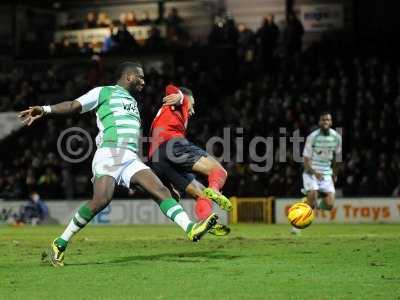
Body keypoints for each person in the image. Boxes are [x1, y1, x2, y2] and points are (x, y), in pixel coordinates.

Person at [18, 62, 218, 267]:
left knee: (160, 190)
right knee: (101, 201)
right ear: (128, 77)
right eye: (140, 77)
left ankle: (191, 229)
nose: (143, 81)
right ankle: (60, 242)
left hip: (130, 157)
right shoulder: (103, 92)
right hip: (108, 154)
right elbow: (73, 105)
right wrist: (45, 109)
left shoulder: (133, 104)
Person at [148, 85, 231, 236]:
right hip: (172, 144)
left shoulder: (164, 114)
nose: (192, 110)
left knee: (200, 194)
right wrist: (180, 97)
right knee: (219, 171)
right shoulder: (180, 101)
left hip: (156, 159)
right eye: (192, 105)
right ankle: (214, 190)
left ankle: (207, 220)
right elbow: (170, 88)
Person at [292, 112, 342, 234]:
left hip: (326, 173)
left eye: (328, 120)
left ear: (331, 122)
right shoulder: (312, 137)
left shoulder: (336, 137)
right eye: (323, 120)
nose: (326, 122)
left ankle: (310, 201)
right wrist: (314, 172)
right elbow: (305, 160)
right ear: (319, 122)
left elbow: (337, 158)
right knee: (313, 194)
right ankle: (297, 227)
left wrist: (335, 173)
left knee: (329, 204)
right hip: (311, 172)